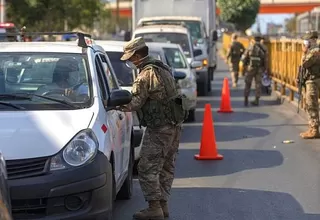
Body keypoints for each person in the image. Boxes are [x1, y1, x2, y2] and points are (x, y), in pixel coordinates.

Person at [118, 37, 183, 220]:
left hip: (159, 128)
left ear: (138, 55)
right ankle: (163, 206)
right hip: (174, 125)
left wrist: (115, 105)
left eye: (131, 58)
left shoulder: (146, 74)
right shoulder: (162, 67)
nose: (130, 61)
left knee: (146, 168)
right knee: (165, 168)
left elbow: (135, 102)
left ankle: (154, 208)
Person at [298, 30, 320, 139]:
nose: (305, 43)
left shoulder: (314, 51)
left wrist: (304, 52)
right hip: (312, 80)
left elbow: (305, 63)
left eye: (306, 41)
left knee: (311, 105)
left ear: (311, 40)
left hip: (313, 80)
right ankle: (312, 128)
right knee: (310, 104)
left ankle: (314, 130)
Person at [241, 34, 266, 106]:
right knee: (258, 84)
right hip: (259, 68)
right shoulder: (263, 48)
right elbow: (265, 59)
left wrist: (244, 67)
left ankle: (246, 98)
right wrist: (265, 68)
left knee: (248, 83)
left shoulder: (250, 47)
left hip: (250, 68)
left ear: (254, 39)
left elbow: (245, 58)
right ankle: (257, 100)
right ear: (260, 39)